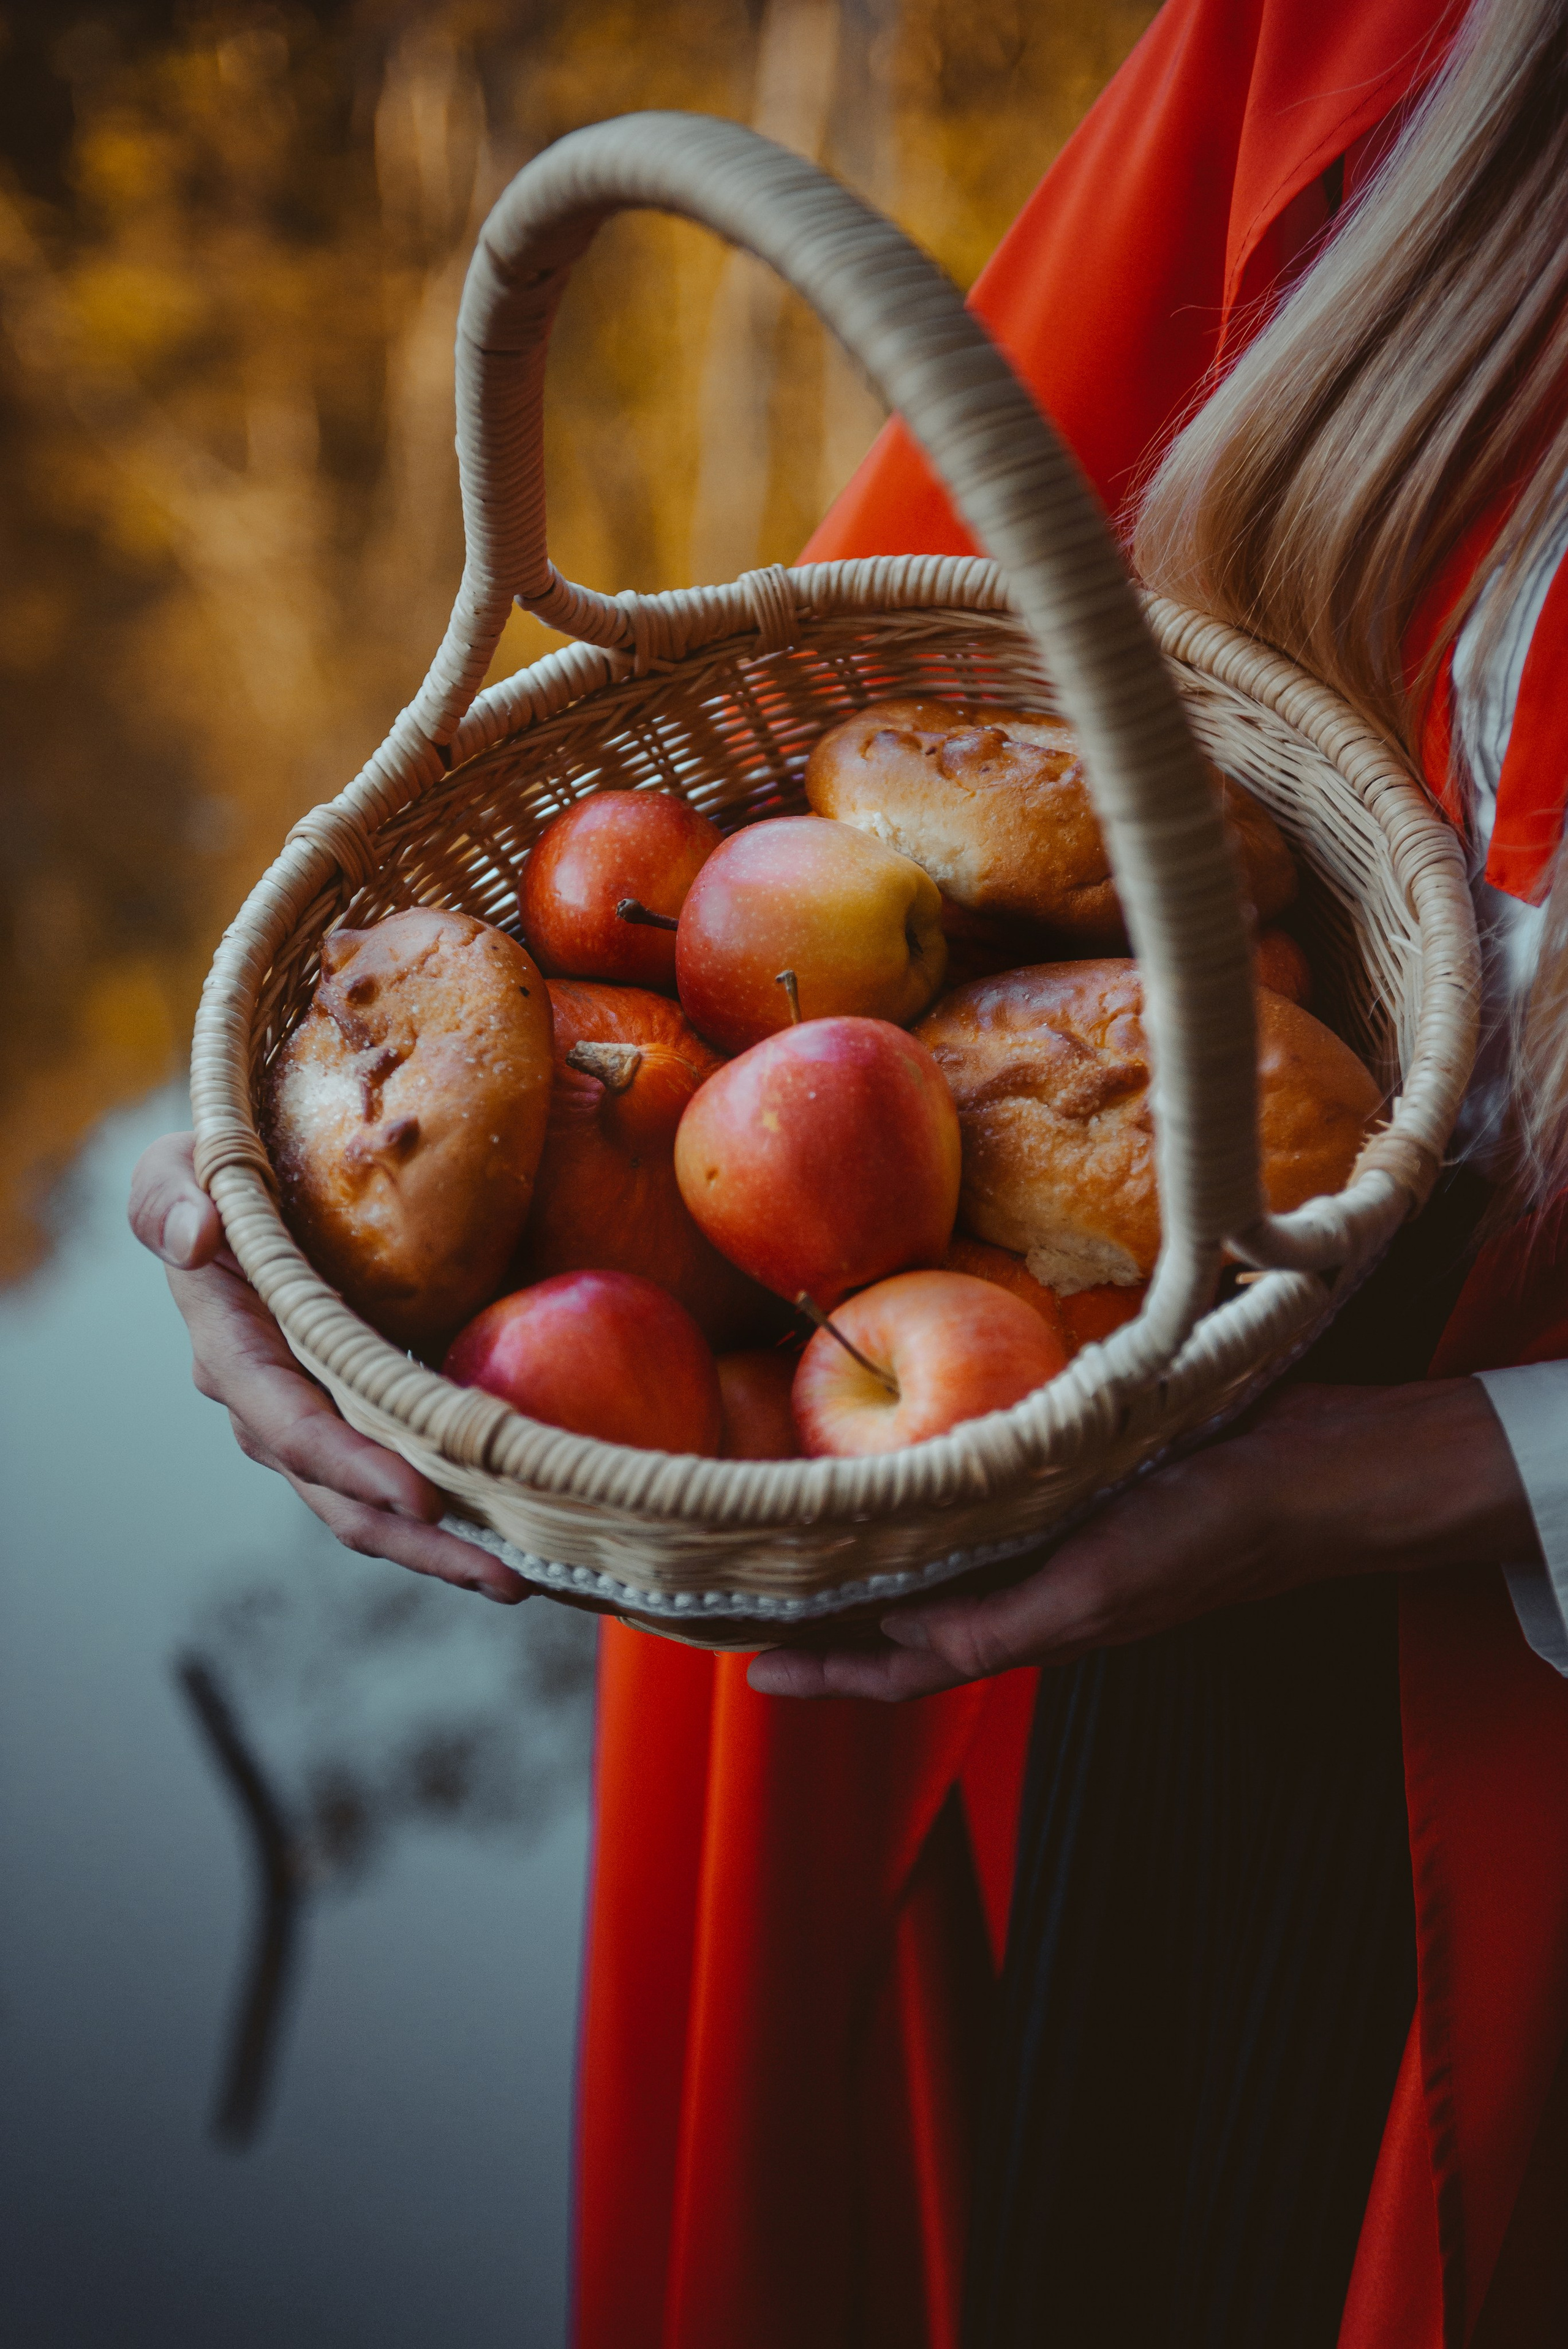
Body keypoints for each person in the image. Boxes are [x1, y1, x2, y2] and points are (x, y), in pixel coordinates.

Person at [130, 0, 1568, 2339]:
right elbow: (792, 764)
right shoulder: (1390, 60)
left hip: (1479, 1738)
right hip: (1081, 1519)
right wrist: (256, 1191)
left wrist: (1423, 1472)